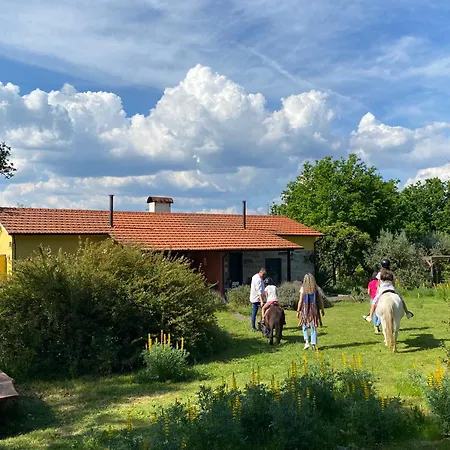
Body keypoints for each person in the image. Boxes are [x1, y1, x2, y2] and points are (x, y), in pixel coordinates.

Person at [297, 273, 325, 350]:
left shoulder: (303, 289)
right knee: (313, 326)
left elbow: (300, 301)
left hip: (305, 309)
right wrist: (322, 309)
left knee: (304, 325)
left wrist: (298, 311)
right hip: (314, 309)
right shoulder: (316, 288)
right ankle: (313, 344)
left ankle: (306, 342)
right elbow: (320, 300)